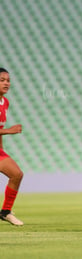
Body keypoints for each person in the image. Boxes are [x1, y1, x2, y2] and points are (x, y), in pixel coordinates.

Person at [0, 67, 24, 226]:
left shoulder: (5, 102)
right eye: (2, 80)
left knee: (17, 174)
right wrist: (9, 130)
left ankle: (5, 211)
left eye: (8, 80)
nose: (6, 83)